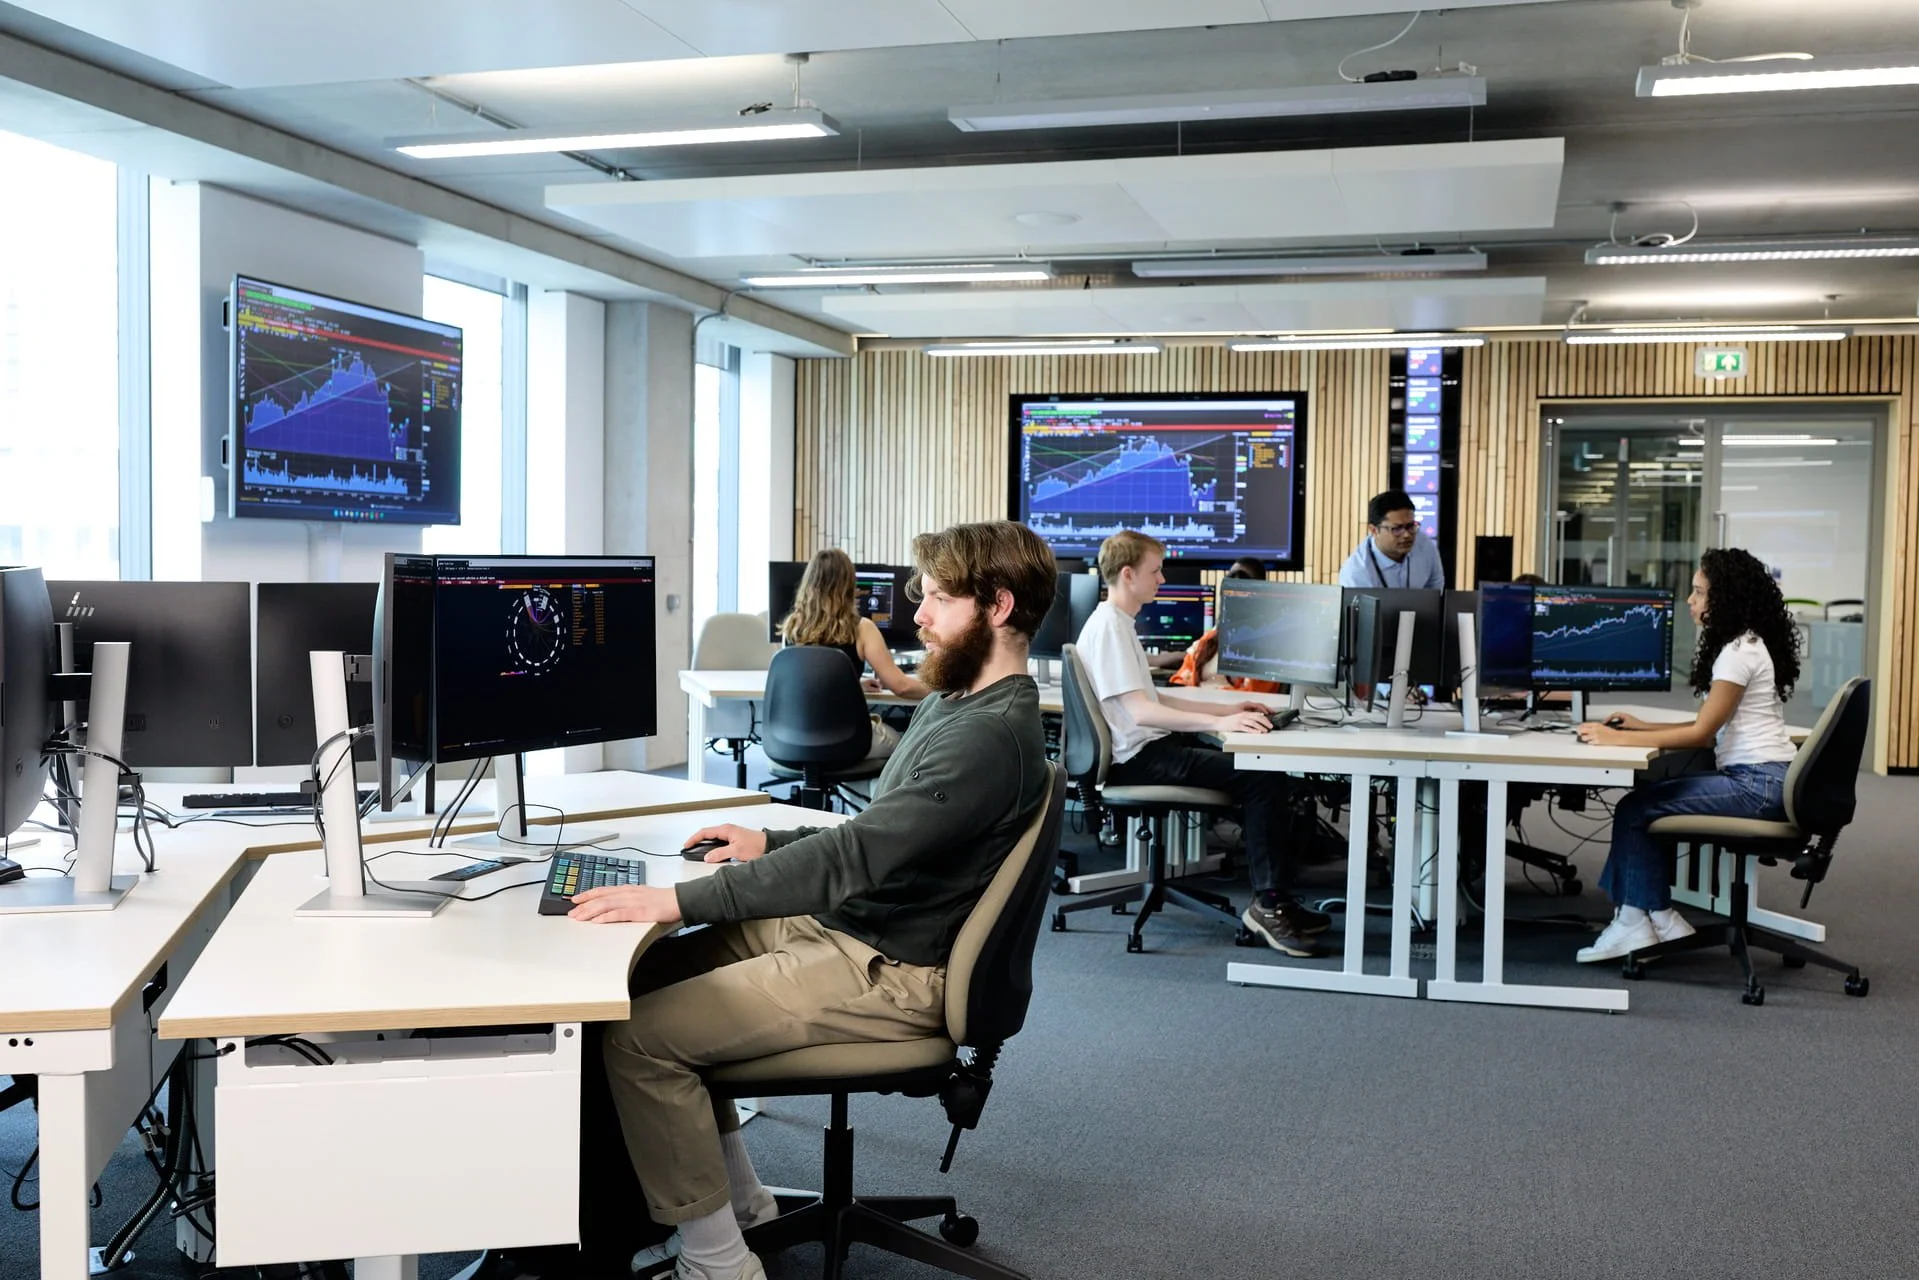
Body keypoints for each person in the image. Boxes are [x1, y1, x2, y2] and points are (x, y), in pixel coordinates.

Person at [566, 521, 1058, 1280]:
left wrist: (680, 901)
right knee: (638, 982)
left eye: (937, 599)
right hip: (850, 924)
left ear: (997, 606)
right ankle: (743, 1205)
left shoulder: (987, 736)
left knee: (640, 1040)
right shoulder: (957, 701)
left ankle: (718, 1262)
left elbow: (855, 858)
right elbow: (877, 834)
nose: (918, 616)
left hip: (886, 966)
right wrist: (769, 842)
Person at [1075, 530, 1328, 957]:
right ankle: (1268, 905)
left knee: (1254, 765)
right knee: (1261, 776)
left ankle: (1276, 898)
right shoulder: (1111, 629)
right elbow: (1142, 712)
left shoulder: (1115, 623)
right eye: (1155, 571)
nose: (1162, 579)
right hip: (1140, 759)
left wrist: (1226, 710)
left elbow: (1153, 698)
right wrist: (1221, 720)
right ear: (1128, 574)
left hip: (1144, 751)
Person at [1571, 548, 1802, 963]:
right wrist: (1641, 728)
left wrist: (1613, 739)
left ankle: (1634, 921)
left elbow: (1701, 735)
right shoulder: (1747, 644)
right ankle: (1661, 919)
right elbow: (1708, 723)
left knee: (1636, 808)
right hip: (1768, 779)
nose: (1690, 601)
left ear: (1724, 598)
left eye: (1698, 592)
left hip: (1757, 785)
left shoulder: (1738, 652)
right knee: (1646, 800)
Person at [777, 548, 928, 758]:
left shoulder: (791, 628)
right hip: (847, 741)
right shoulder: (861, 628)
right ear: (849, 585)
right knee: (903, 744)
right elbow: (901, 687)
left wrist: (850, 685)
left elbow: (806, 684)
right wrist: (944, 688)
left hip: (793, 740)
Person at [1168, 557, 1275, 691]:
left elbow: (1254, 694)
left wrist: (1212, 695)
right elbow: (1181, 679)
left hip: (1230, 703)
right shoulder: (1210, 638)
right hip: (1197, 702)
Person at [1338, 489, 1446, 590]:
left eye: (1410, 526)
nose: (1407, 535)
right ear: (1374, 530)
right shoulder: (1356, 573)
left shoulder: (1424, 545)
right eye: (1397, 529)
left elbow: (1435, 589)